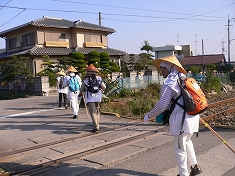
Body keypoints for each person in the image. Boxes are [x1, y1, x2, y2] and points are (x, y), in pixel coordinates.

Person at [144, 55, 202, 176]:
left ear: (170, 68)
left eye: (163, 68)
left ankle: (183, 174)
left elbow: (162, 105)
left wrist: (149, 115)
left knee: (180, 149)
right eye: (161, 68)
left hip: (181, 122)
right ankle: (195, 167)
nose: (162, 71)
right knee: (187, 142)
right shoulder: (184, 79)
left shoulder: (170, 83)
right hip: (192, 118)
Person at [78, 64, 106, 133]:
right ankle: (97, 125)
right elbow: (104, 86)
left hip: (90, 97)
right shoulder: (99, 78)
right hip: (98, 96)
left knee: (92, 111)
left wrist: (80, 94)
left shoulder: (86, 79)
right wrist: (102, 91)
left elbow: (81, 89)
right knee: (97, 110)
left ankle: (95, 126)